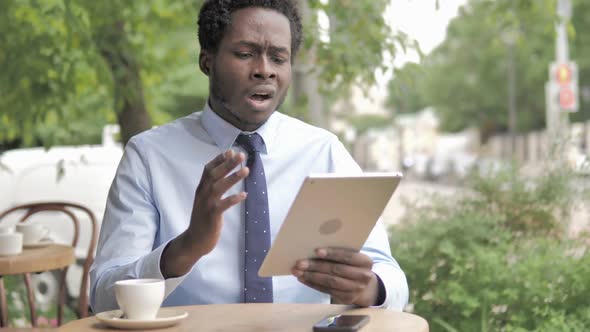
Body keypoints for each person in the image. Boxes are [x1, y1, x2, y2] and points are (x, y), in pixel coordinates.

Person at [89, 0, 408, 313]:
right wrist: (185, 248)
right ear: (207, 61)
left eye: (279, 58)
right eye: (245, 54)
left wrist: (369, 287)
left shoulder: (324, 152)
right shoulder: (149, 156)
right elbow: (103, 297)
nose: (264, 71)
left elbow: (392, 279)